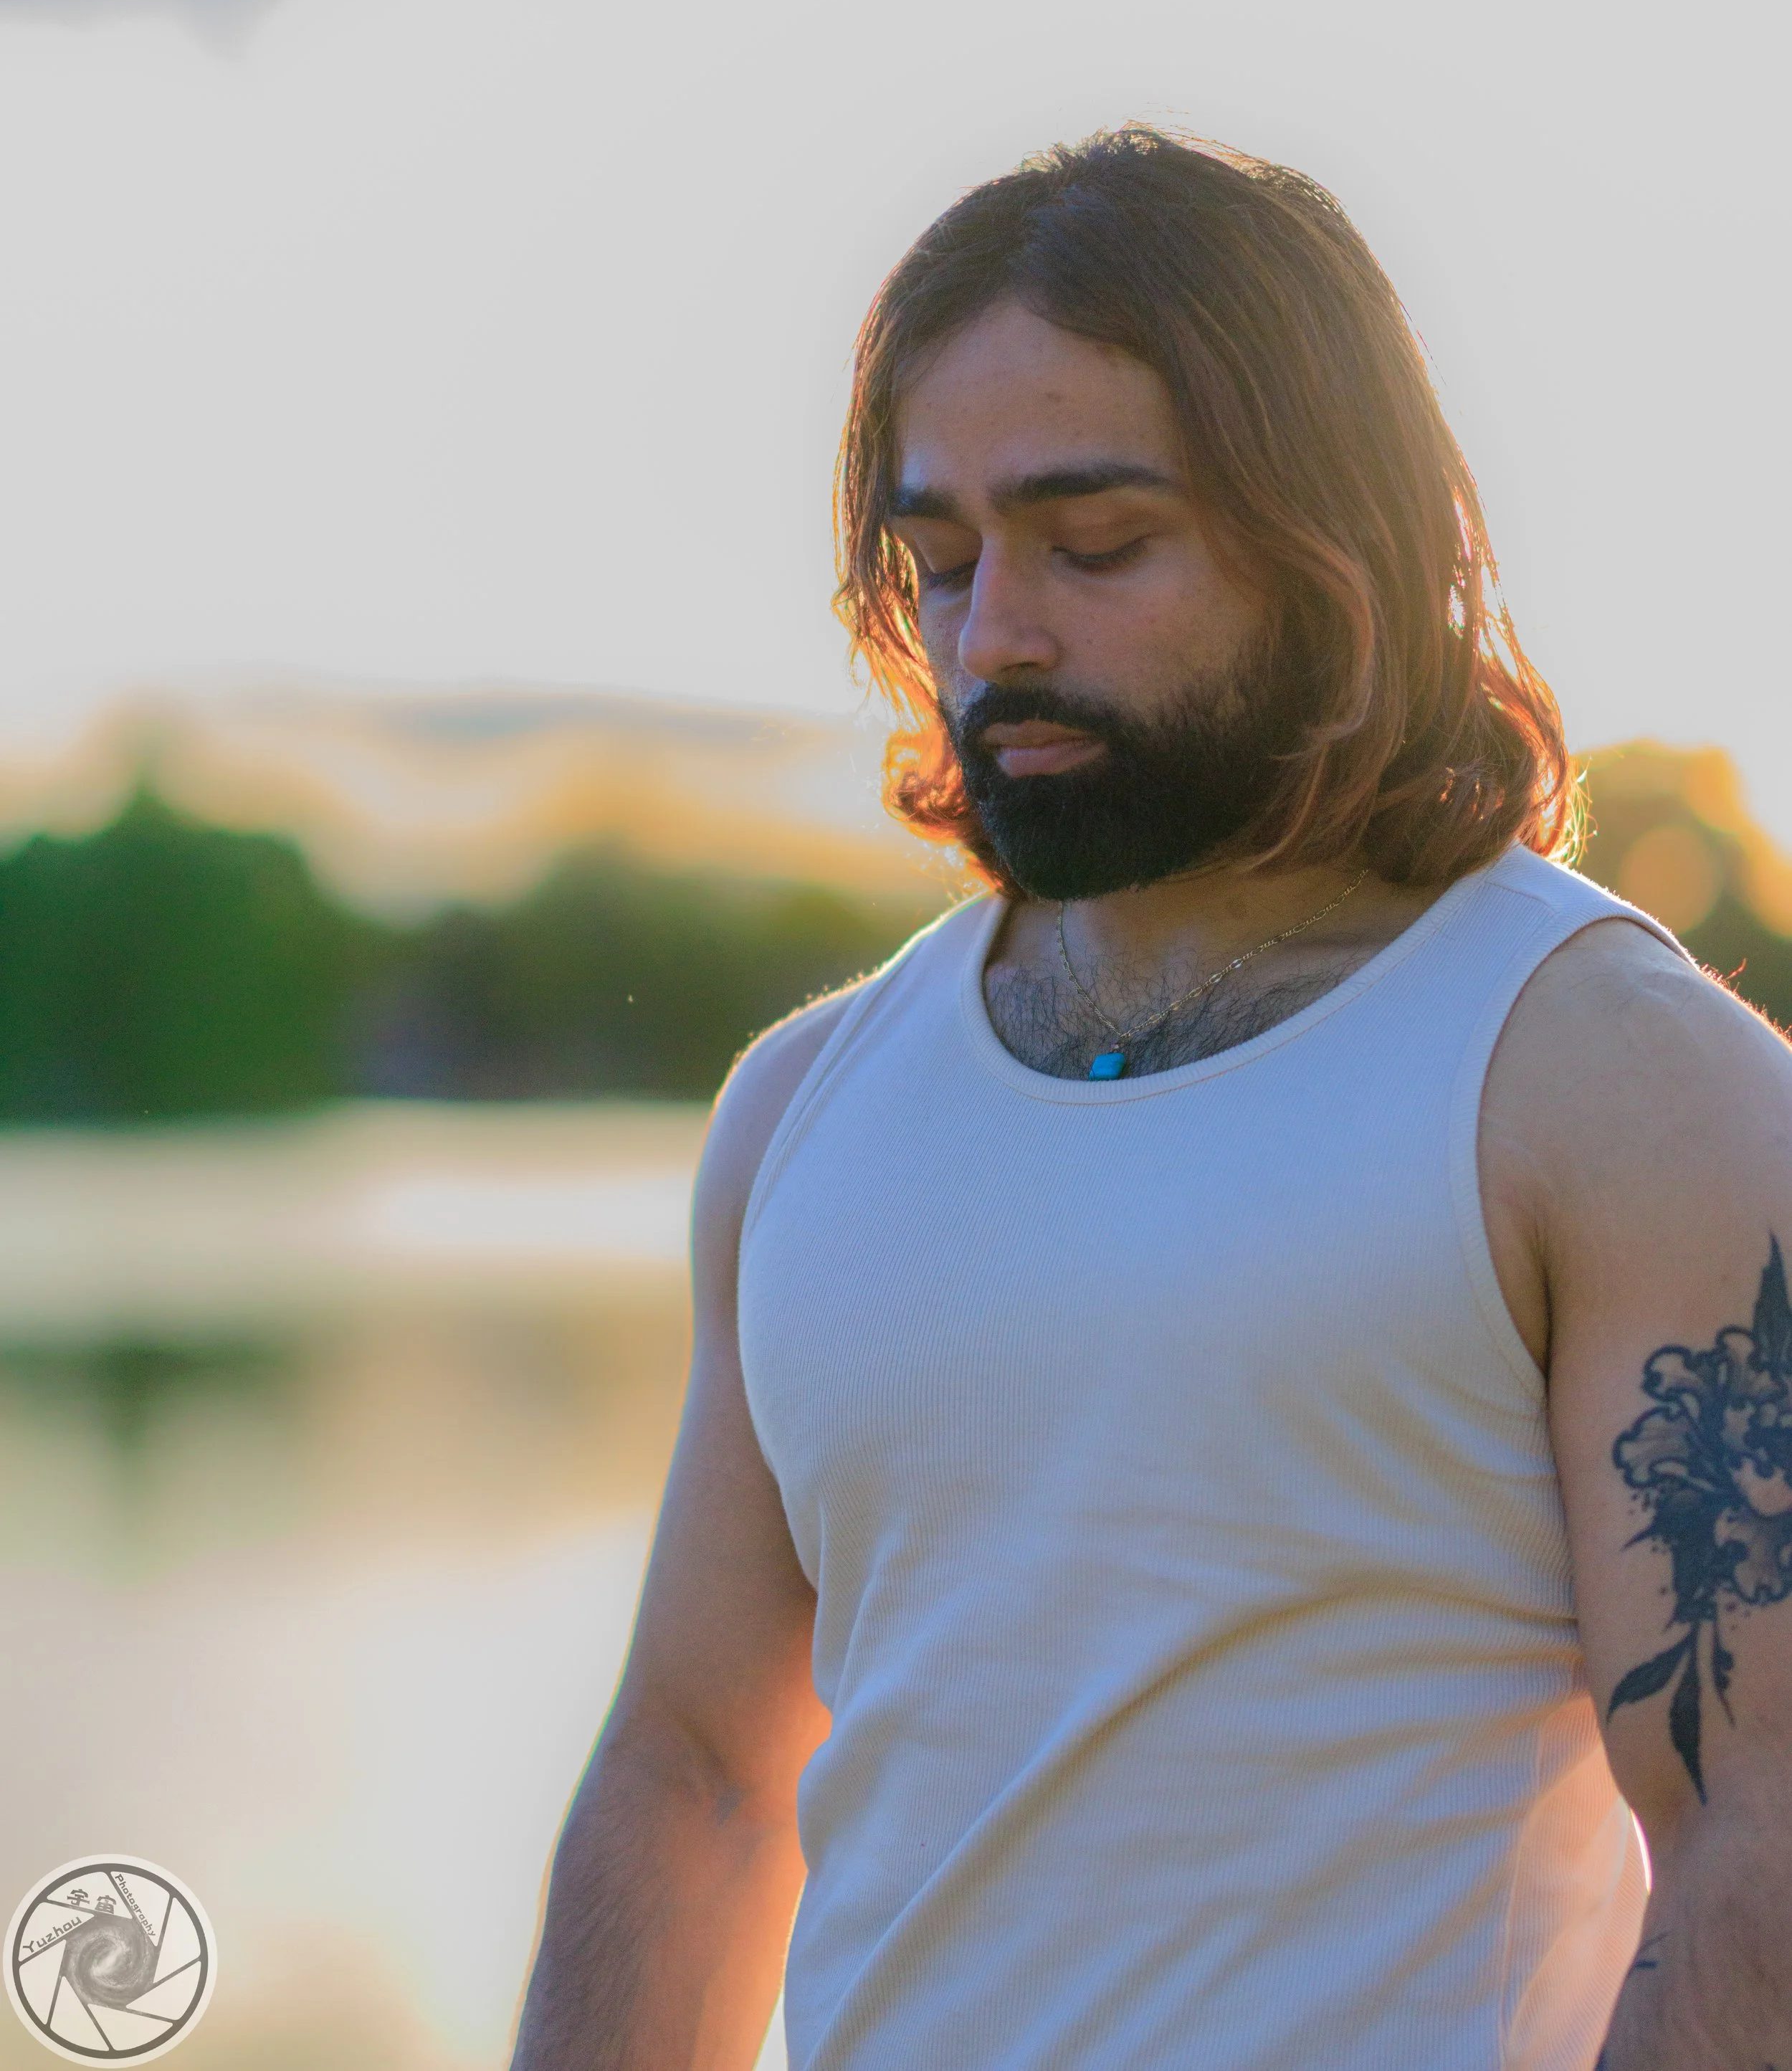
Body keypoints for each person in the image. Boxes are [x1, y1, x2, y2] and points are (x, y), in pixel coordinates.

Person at [510, 130, 1792, 2070]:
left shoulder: (1605, 1076)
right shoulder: (802, 1110)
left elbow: (1755, 1826)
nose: (992, 633)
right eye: (938, 560)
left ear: (1333, 551)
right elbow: (690, 1775)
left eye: (1092, 544)